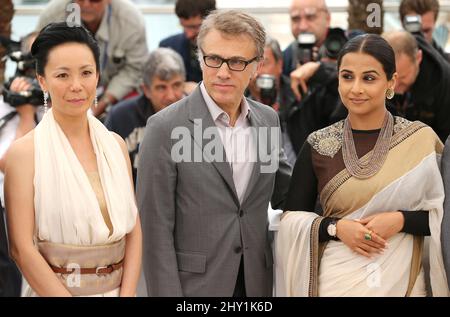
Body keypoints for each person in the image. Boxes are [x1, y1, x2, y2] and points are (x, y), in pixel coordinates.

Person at [276, 34, 449, 296]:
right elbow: (290, 221)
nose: (355, 88)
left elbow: (444, 217)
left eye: (369, 78)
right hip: (335, 282)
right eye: (347, 77)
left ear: (391, 82)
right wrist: (336, 227)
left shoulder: (421, 141)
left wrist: (400, 220)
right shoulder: (318, 144)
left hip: (403, 282)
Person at [137, 10, 291, 297]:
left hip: (256, 284)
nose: (222, 72)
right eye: (214, 59)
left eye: (236, 62)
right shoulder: (165, 128)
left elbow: (286, 194)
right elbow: (154, 232)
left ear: (256, 66)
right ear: (200, 58)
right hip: (194, 289)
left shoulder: (268, 120)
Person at [4, 22, 142, 297]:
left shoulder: (114, 145)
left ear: (98, 76)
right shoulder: (24, 153)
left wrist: (127, 294)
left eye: (86, 73)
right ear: (42, 80)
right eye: (63, 75)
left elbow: (133, 230)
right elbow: (21, 249)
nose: (77, 86)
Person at [36, 0, 148, 117]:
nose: (86, 4)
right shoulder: (52, 15)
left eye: (95, 0)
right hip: (63, 90)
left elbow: (135, 69)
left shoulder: (132, 20)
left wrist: (103, 103)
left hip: (114, 92)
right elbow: (39, 61)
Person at [105, 47, 186, 184]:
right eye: (161, 87)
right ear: (146, 90)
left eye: (177, 85)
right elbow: (107, 171)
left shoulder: (199, 114)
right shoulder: (120, 117)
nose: (171, 96)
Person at [383, 31, 450, 142]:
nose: (394, 87)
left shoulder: (444, 83)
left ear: (418, 58)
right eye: (390, 79)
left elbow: (446, 137)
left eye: (403, 77)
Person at [246, 36, 297, 167]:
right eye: (253, 65)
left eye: (264, 64)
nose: (258, 72)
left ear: (280, 65)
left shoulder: (298, 94)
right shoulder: (238, 102)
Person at [159, 0, 215, 91]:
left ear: (212, 20)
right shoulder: (167, 47)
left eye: (195, 27)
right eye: (184, 26)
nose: (188, 34)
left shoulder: (230, 48)